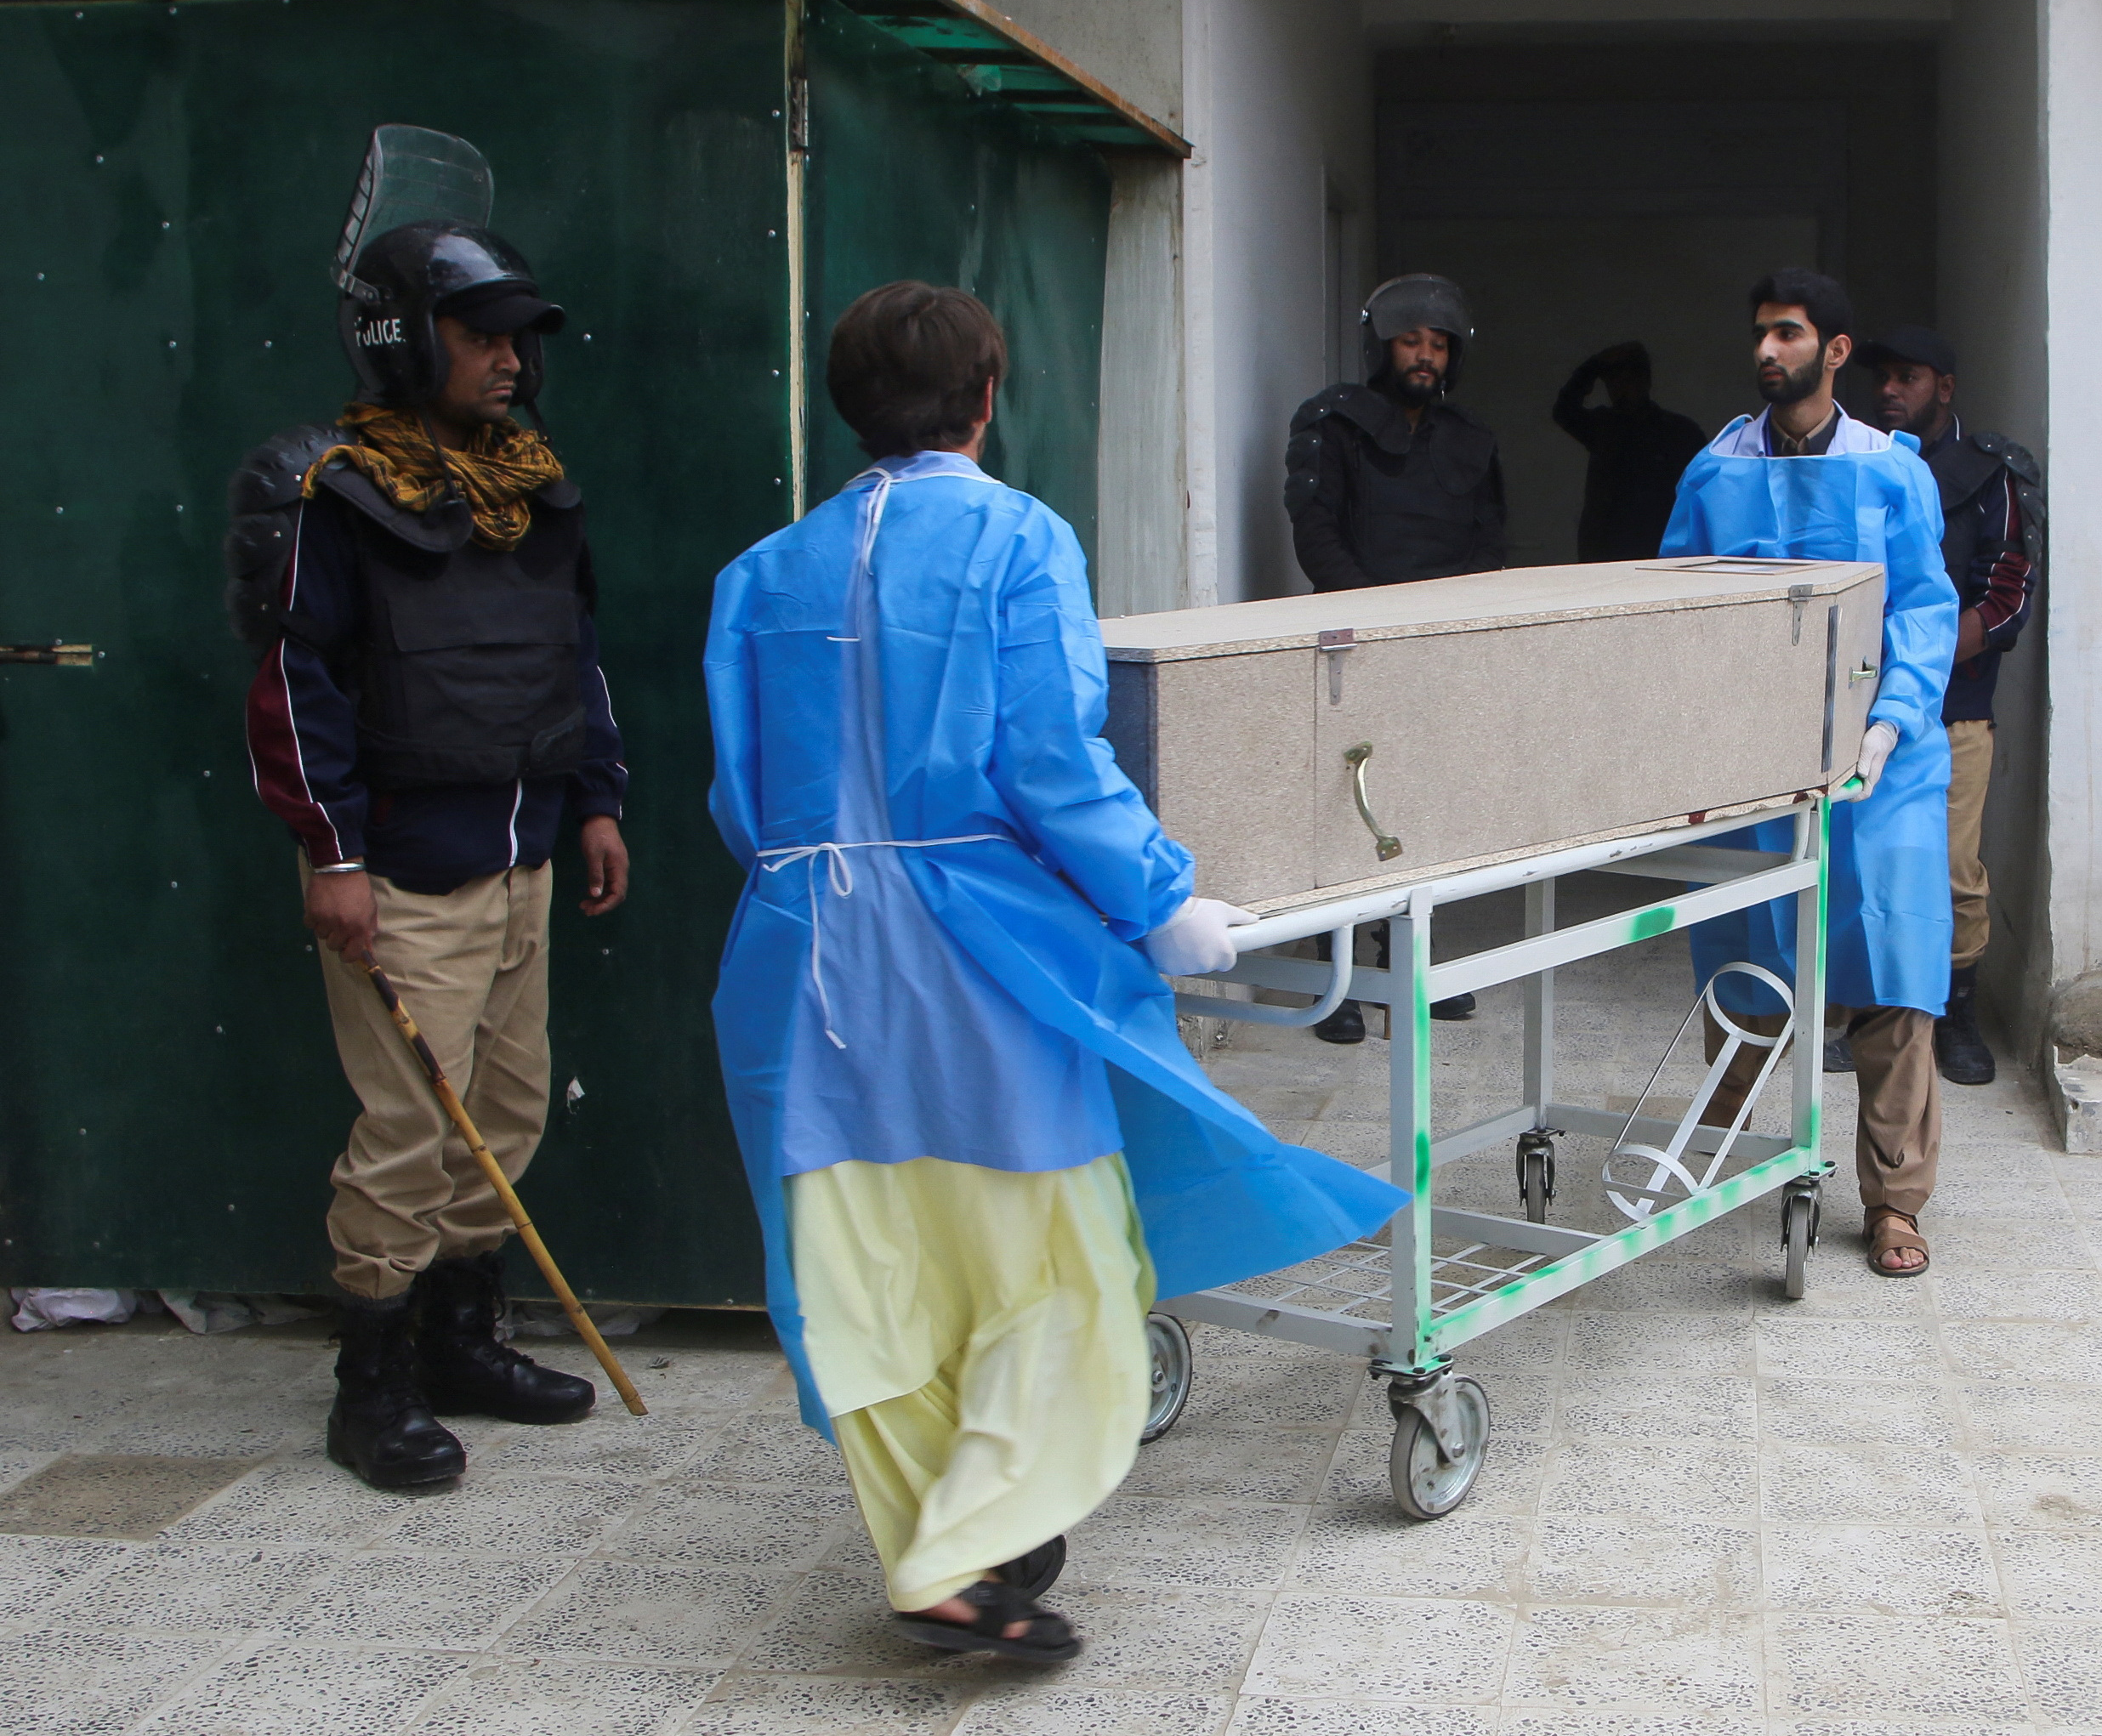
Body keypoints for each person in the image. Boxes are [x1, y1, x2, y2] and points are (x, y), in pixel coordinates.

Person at [706, 283, 1403, 1662]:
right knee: (1055, 1257)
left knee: (866, 1259)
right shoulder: (1016, 539)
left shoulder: (760, 573)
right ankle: (959, 1551)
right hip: (973, 955)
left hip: (798, 957)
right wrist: (1160, 898)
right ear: (984, 398)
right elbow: (1050, 760)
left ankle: (942, 1535)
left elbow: (738, 798)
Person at [237, 216, 627, 1490]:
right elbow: (297, 685)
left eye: (519, 338)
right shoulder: (334, 491)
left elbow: (574, 657)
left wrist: (597, 802)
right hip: (405, 868)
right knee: (410, 1130)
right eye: (481, 335)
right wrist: (334, 856)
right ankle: (374, 1381)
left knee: (504, 1115)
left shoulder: (533, 483)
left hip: (523, 859)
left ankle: (464, 1339)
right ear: (407, 339)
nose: (509, 360)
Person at [1661, 269, 1957, 1278]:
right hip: (1754, 762)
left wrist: (1891, 723)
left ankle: (1894, 1202)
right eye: (1759, 333)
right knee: (1749, 968)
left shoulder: (1892, 473)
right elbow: (1677, 608)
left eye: (1787, 334)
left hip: (1884, 765)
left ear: (1834, 351)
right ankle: (1737, 1170)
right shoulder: (1712, 472)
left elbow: (1923, 606)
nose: (1766, 351)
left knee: (1890, 976)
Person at [1285, 272, 1499, 1039]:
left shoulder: (1470, 440)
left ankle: (1413, 963)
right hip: (1352, 640)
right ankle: (1331, 977)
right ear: (1382, 344)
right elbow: (1316, 531)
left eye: (1437, 344)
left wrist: (1446, 628)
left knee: (1432, 806)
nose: (1425, 356)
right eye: (1411, 340)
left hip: (1437, 648)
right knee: (1344, 807)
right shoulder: (1330, 422)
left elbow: (1486, 545)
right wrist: (1372, 615)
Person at [1857, 326, 2044, 1086]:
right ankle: (1872, 1017)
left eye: (1908, 377)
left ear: (1945, 386)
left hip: (1954, 707)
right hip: (1861, 707)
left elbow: (2006, 599)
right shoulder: (1864, 466)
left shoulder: (1987, 475)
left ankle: (1955, 1016)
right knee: (1871, 865)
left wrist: (1923, 655)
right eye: (1885, 379)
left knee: (1954, 871)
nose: (1890, 391)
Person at [1552, 341, 1709, 562]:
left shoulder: (1679, 431)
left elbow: (1701, 493)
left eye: (1628, 379)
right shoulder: (1604, 427)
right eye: (1613, 380)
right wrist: (1593, 366)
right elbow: (1564, 410)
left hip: (1658, 550)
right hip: (1603, 552)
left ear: (1644, 380)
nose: (1620, 388)